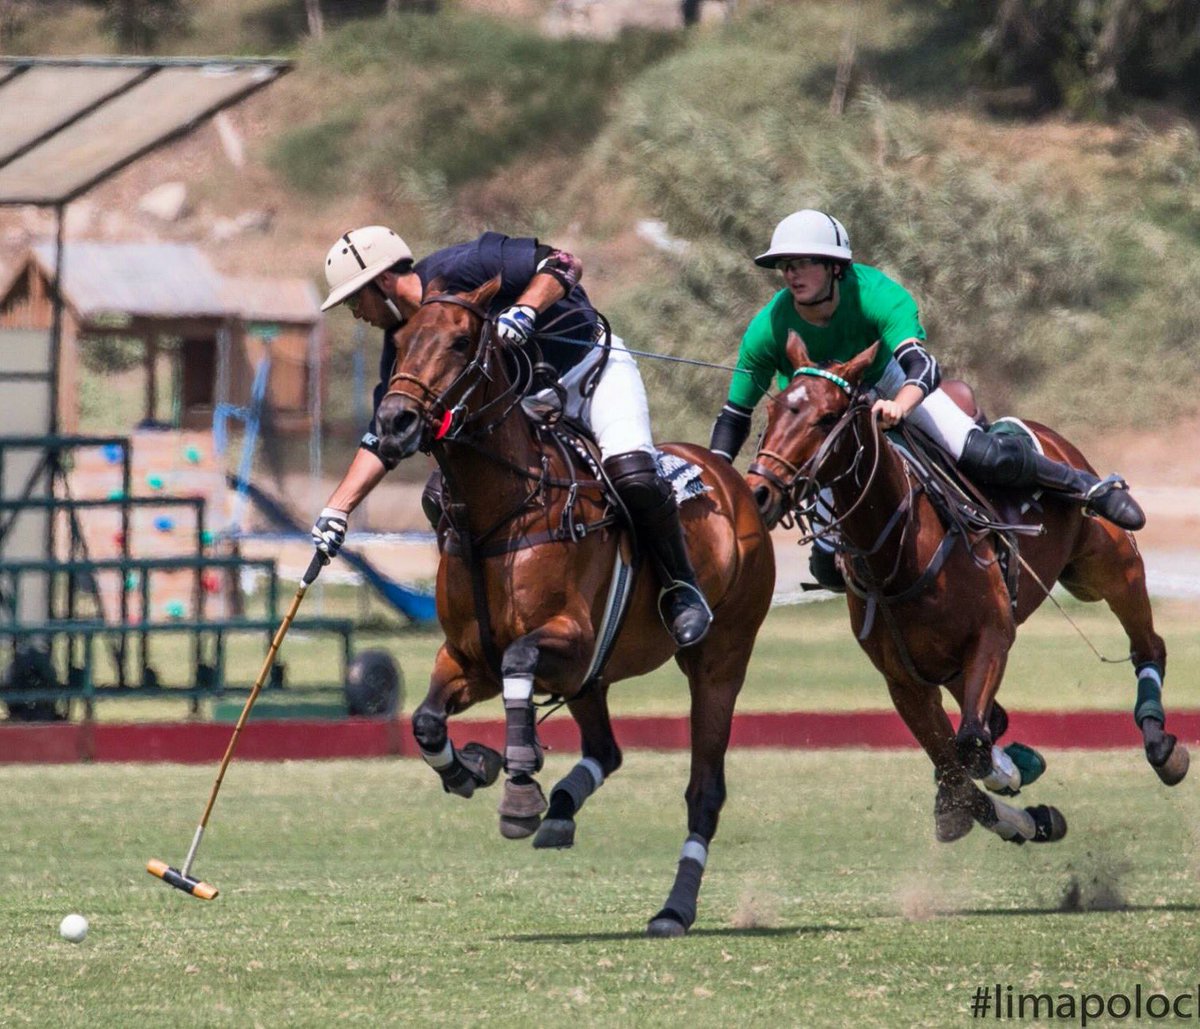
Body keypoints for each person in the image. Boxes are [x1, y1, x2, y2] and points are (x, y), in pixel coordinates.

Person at [311, 225, 712, 647]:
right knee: (439, 497)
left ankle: (680, 587)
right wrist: (338, 510)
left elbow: (563, 264)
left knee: (634, 477)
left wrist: (525, 309)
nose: (356, 312)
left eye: (356, 299)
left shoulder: (466, 265)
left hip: (593, 373)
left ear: (385, 281)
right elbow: (382, 437)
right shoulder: (406, 347)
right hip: (525, 411)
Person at [708, 209, 1146, 591]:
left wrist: (900, 404)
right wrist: (718, 478)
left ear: (836, 267)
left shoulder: (877, 294)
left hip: (891, 382)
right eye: (785, 265)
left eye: (803, 263)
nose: (791, 273)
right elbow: (735, 414)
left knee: (983, 454)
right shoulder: (768, 326)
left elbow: (922, 367)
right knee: (826, 567)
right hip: (824, 424)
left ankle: (1088, 487)